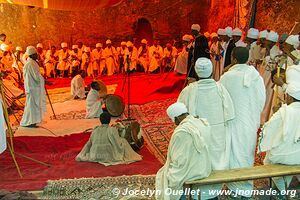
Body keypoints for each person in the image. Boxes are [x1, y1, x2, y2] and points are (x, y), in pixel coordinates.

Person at [178, 57, 235, 199]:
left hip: (198, 133)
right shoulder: (220, 88)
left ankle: (200, 194)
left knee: (199, 158)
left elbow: (179, 114)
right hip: (217, 134)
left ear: (196, 72)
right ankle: (211, 194)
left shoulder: (188, 90)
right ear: (212, 71)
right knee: (215, 159)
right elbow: (230, 113)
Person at [220, 47, 266, 198]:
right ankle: (245, 188)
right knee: (246, 153)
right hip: (249, 121)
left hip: (233, 122)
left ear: (233, 58)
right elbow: (261, 100)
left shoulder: (227, 77)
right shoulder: (256, 76)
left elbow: (220, 98)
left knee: (233, 153)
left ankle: (234, 187)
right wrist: (253, 115)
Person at [155, 102, 211, 200]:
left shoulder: (181, 132)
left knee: (166, 179)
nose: (175, 124)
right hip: (205, 167)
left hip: (192, 171)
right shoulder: (202, 123)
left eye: (174, 121)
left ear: (177, 118)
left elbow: (180, 161)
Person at [258, 66, 300, 193]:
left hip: (284, 158)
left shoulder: (284, 112)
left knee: (269, 160)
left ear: (290, 98)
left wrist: (277, 114)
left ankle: (282, 190)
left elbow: (266, 132)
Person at [76, 112, 142, 166]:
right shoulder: (112, 130)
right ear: (110, 120)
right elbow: (117, 144)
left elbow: (89, 143)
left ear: (100, 120)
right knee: (123, 141)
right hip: (110, 155)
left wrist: (84, 152)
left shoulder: (95, 130)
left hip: (95, 155)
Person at [20, 46, 46, 127]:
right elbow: (37, 77)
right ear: (32, 55)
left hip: (32, 87)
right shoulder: (31, 64)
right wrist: (44, 80)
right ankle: (30, 122)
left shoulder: (31, 63)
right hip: (33, 88)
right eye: (35, 54)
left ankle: (32, 121)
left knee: (31, 105)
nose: (37, 56)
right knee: (32, 106)